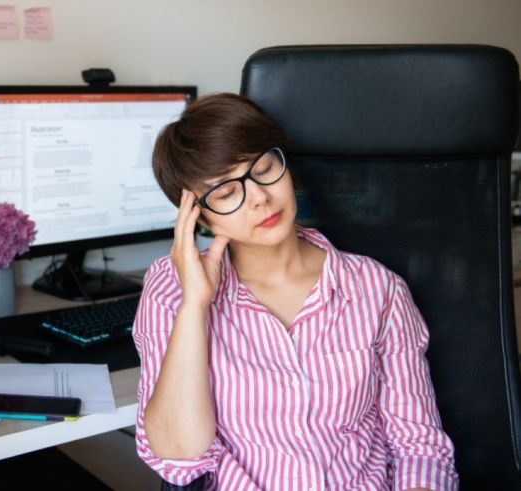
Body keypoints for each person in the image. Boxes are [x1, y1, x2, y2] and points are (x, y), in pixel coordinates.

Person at [133, 93, 458, 490]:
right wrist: (195, 305)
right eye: (224, 193)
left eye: (264, 168)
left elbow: (418, 448)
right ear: (196, 216)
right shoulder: (171, 288)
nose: (259, 198)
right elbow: (179, 456)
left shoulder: (378, 289)